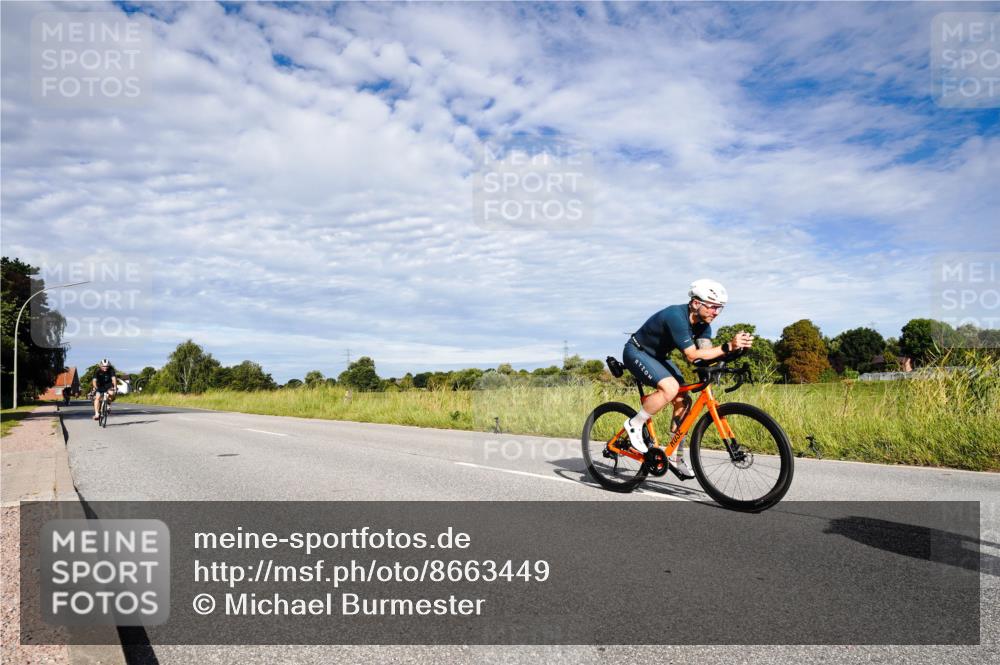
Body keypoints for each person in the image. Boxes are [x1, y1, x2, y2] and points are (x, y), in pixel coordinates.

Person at [622, 279, 754, 479]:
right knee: (670, 388)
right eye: (712, 307)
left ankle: (675, 455)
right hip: (636, 352)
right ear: (695, 303)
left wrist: (734, 354)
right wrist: (728, 346)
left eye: (720, 308)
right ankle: (634, 423)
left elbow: (704, 356)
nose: (716, 312)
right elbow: (692, 355)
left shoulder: (703, 326)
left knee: (683, 399)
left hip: (659, 357)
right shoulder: (676, 316)